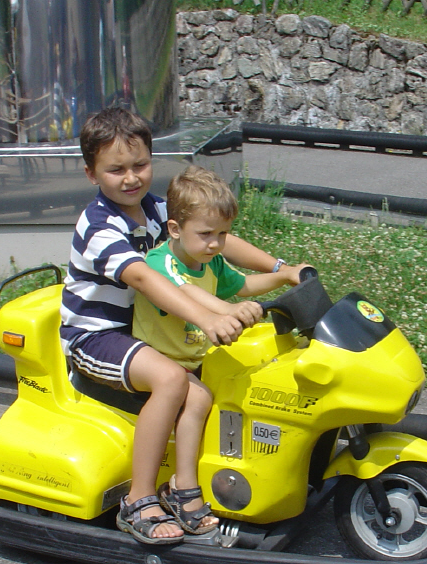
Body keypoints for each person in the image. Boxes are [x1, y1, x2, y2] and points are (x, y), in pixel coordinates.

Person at [60, 107, 305, 545]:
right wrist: (209, 317)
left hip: (142, 332)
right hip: (97, 337)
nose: (131, 178)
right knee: (172, 380)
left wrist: (281, 269)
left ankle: (182, 488)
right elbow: (144, 278)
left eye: (140, 165)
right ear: (91, 174)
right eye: (116, 169)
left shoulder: (156, 209)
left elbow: (216, 236)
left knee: (203, 393)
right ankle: (138, 499)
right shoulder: (99, 226)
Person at [132, 166, 309, 535]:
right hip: (159, 359)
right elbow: (185, 292)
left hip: (195, 357)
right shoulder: (160, 263)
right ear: (175, 229)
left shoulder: (209, 259)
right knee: (198, 398)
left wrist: (285, 275)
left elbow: (242, 285)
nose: (215, 243)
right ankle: (183, 489)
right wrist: (226, 311)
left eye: (222, 234)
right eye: (206, 234)